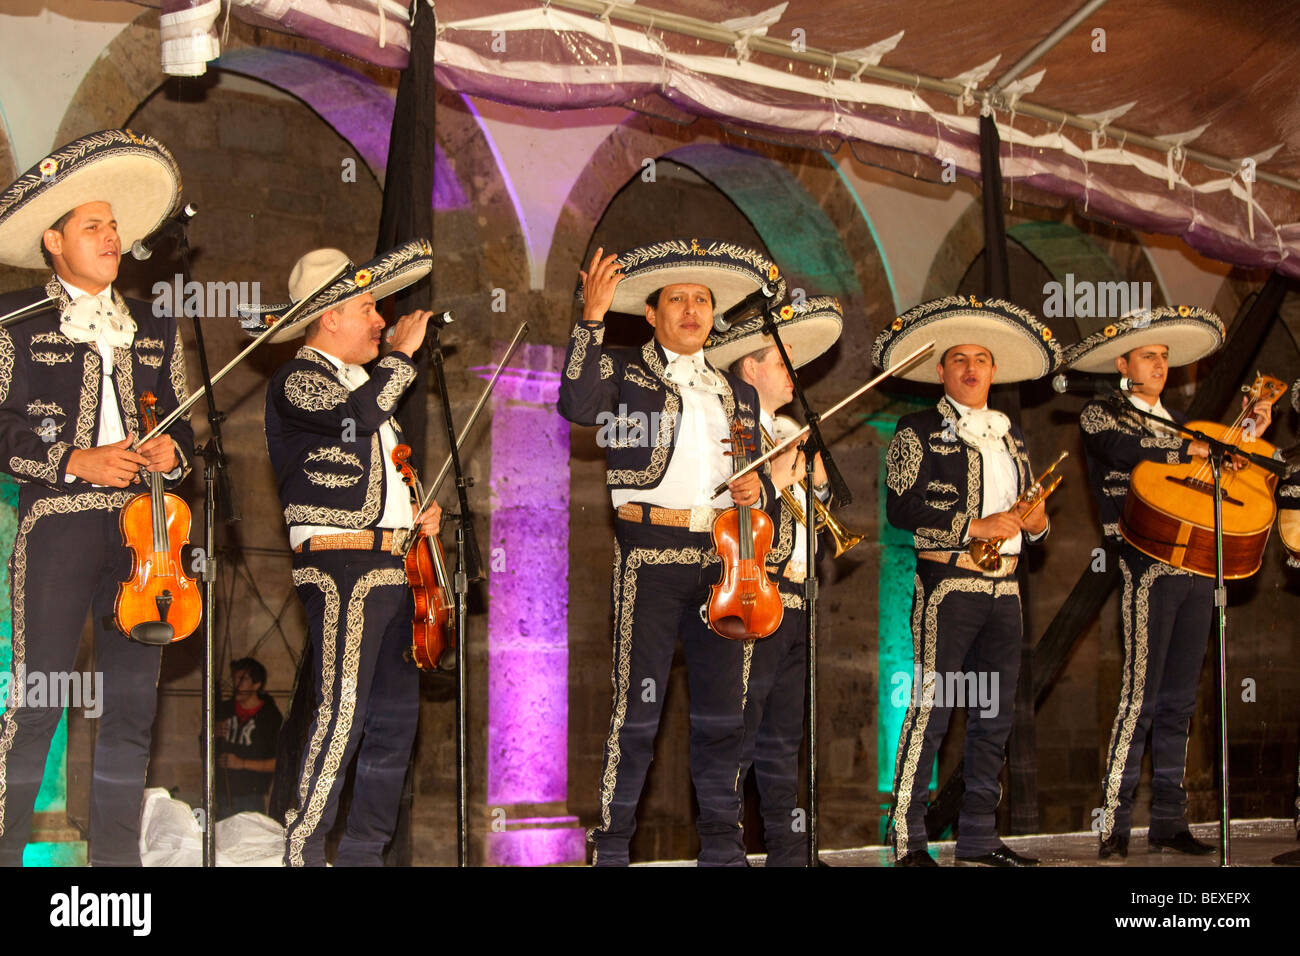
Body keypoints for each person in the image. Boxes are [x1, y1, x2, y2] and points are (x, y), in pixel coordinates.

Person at [0, 129, 194, 866]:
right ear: (54, 241)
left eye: (114, 226)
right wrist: (73, 458)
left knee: (131, 713)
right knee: (38, 703)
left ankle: (119, 870)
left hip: (147, 540)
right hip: (57, 526)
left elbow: (179, 421)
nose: (111, 237)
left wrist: (173, 455)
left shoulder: (156, 323)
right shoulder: (14, 320)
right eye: (92, 226)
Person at [559, 238, 782, 866]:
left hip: (724, 559)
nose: (691, 309)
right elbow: (574, 404)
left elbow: (753, 473)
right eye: (677, 300)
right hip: (650, 554)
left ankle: (723, 847)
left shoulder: (739, 394)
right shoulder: (625, 369)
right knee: (639, 710)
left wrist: (756, 483)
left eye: (703, 301)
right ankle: (612, 849)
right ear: (652, 314)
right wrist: (591, 322)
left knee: (723, 715)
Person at [252, 240, 442, 866]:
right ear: (329, 316)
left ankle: (363, 853)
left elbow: (377, 457)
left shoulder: (369, 386)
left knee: (394, 720)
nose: (383, 321)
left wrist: (417, 510)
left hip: (393, 562)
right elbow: (353, 420)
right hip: (341, 561)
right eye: (369, 307)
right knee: (344, 711)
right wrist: (403, 359)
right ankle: (303, 851)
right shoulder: (299, 381)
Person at [1066, 306, 1272, 860]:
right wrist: (1190, 449)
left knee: (1180, 699)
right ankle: (1112, 821)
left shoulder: (1185, 425)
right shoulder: (1102, 415)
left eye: (1163, 358)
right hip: (1145, 561)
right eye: (1147, 357)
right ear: (1123, 364)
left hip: (1200, 564)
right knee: (1141, 696)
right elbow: (1124, 452)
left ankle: (1168, 820)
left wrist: (1247, 434)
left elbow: (1230, 468)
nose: (1158, 364)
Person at [874, 295, 1061, 866]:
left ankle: (978, 834)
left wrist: (1039, 523)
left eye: (981, 359)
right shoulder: (916, 428)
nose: (972, 368)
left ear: (994, 370)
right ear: (942, 370)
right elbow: (900, 509)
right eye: (959, 359)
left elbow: (1035, 524)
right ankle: (907, 837)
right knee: (932, 708)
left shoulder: (1012, 437)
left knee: (994, 714)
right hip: (949, 584)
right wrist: (970, 524)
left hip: (1006, 587)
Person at [705, 295, 843, 866]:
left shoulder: (791, 430)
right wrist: (777, 471)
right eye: (780, 362)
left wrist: (814, 478)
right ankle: (726, 853)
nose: (792, 374)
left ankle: (791, 852)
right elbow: (722, 498)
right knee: (739, 734)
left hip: (798, 597)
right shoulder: (731, 427)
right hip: (754, 594)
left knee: (785, 740)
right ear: (749, 369)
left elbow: (818, 510)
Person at [213, 657, 283, 818]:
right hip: (222, 793)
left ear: (256, 685)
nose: (236, 685)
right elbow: (204, 748)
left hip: (251, 796)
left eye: (242, 679)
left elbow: (278, 763)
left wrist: (241, 763)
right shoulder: (225, 709)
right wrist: (213, 733)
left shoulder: (270, 717)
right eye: (234, 678)